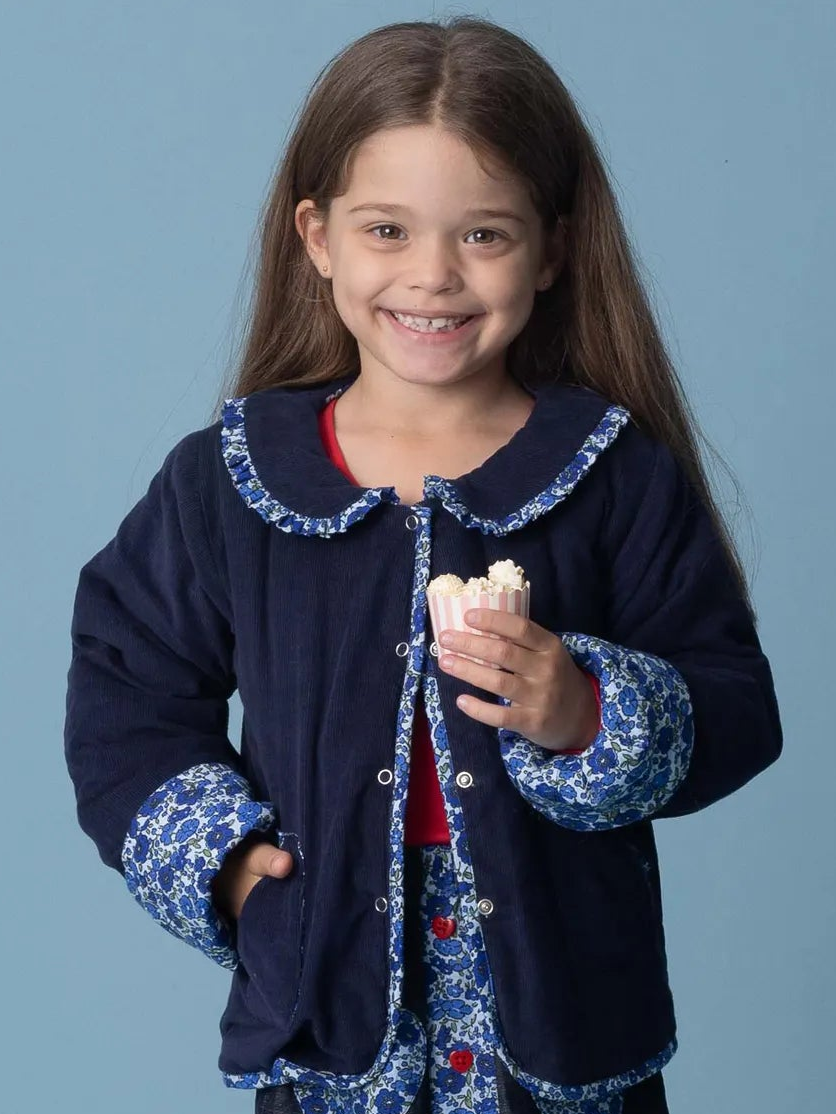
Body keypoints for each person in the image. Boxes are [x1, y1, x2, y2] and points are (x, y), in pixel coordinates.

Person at [63, 15, 783, 1114]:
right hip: (329, 1000)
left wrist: (581, 711)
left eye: (483, 235)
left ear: (550, 245)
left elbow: (735, 708)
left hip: (565, 1012)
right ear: (318, 237)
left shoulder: (611, 473)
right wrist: (232, 868)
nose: (432, 277)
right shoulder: (230, 479)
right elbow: (125, 685)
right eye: (387, 229)